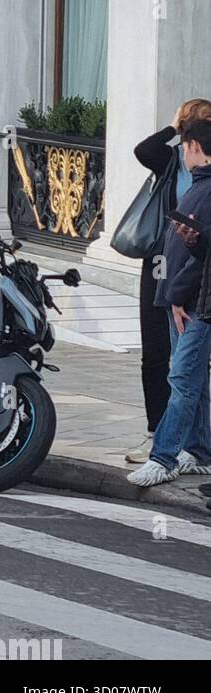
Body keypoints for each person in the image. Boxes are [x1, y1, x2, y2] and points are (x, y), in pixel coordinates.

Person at [126, 98, 211, 463]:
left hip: (193, 266)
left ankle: (183, 446)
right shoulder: (173, 160)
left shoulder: (204, 172)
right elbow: (143, 149)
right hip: (161, 260)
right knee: (157, 350)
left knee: (186, 363)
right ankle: (157, 429)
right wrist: (174, 129)